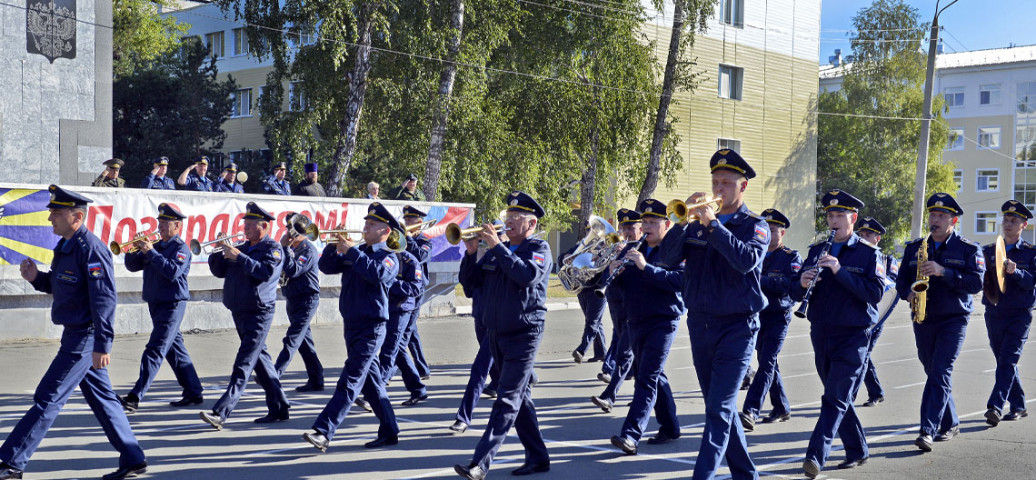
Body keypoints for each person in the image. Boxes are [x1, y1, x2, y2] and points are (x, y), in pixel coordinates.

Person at [2, 185, 147, 480]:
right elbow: (63, 286)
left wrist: (103, 345)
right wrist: (36, 278)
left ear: (77, 217)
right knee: (103, 399)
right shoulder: (66, 246)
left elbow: (104, 300)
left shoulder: (91, 249)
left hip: (85, 336)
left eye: (56, 212)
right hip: (75, 334)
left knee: (48, 396)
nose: (50, 218)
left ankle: (11, 463)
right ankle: (134, 459)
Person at [679, 149, 767, 480]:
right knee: (721, 409)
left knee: (718, 410)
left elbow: (745, 261)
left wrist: (714, 226)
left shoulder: (755, 226)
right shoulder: (696, 225)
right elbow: (669, 258)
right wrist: (680, 223)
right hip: (701, 324)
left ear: (743, 186)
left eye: (727, 183)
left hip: (737, 327)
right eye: (715, 182)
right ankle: (746, 475)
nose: (718, 189)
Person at [454, 191, 551, 480]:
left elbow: (526, 276)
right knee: (520, 398)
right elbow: (470, 285)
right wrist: (471, 253)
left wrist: (497, 247)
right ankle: (538, 457)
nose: (508, 222)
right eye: (507, 217)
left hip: (525, 332)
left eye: (515, 218)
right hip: (496, 332)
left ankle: (479, 464)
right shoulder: (499, 250)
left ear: (531, 223)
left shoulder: (539, 248)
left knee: (507, 399)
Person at [791, 190, 884, 478]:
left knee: (833, 397)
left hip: (854, 334)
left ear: (853, 218)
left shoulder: (869, 253)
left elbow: (875, 293)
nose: (833, 221)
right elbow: (795, 290)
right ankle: (857, 450)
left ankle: (815, 456)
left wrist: (840, 271)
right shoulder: (816, 250)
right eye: (830, 216)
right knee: (838, 396)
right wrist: (801, 283)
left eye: (839, 215)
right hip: (821, 330)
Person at [302, 203, 403, 452]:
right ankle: (390, 430)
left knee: (351, 378)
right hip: (352, 323)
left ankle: (324, 430)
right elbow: (327, 267)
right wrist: (333, 244)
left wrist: (351, 252)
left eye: (371, 225)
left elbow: (377, 274)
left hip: (372, 326)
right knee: (372, 384)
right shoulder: (357, 251)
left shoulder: (389, 256)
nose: (365, 228)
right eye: (365, 224)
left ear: (385, 231)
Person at [896, 192, 984, 452]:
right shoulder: (915, 248)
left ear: (953, 221)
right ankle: (951, 422)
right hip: (923, 317)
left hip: (953, 318)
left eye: (941, 216)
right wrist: (908, 293)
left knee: (940, 371)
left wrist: (944, 271)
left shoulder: (968, 249)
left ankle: (927, 430)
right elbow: (901, 280)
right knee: (932, 371)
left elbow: (976, 283)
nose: (934, 220)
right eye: (932, 215)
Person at [200, 202, 290, 429]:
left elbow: (265, 273)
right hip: (239, 309)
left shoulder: (273, 249)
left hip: (259, 312)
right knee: (261, 361)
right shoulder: (241, 247)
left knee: (244, 362)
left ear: (264, 226)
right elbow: (218, 271)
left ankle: (221, 412)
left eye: (250, 225)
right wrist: (220, 250)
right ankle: (280, 407)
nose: (245, 228)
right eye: (245, 224)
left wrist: (239, 256)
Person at [607, 199, 683, 456]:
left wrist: (645, 267)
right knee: (653, 374)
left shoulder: (674, 250)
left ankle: (630, 434)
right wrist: (612, 273)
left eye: (653, 222)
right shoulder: (631, 249)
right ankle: (670, 427)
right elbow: (620, 286)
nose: (647, 227)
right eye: (645, 222)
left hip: (663, 321)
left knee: (646, 377)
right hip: (636, 320)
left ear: (667, 224)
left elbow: (679, 281)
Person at [118, 203, 204, 413]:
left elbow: (172, 272)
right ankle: (193, 391)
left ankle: (135, 396)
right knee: (175, 350)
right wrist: (133, 248)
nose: (160, 226)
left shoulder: (181, 249)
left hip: (172, 304)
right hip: (155, 303)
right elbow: (132, 266)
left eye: (165, 222)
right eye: (160, 222)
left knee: (155, 349)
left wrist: (150, 251)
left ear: (177, 226)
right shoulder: (155, 245)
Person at [739, 208, 800, 431]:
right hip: (757, 315)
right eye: (766, 228)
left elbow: (790, 286)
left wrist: (760, 280)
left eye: (773, 230)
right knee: (768, 362)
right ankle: (781, 407)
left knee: (766, 363)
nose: (769, 233)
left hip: (778, 316)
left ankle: (751, 410)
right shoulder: (755, 253)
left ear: (782, 233)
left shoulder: (790, 257)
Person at [982, 200, 1035, 426]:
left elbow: (1032, 282)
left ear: (1024, 225)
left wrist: (1016, 272)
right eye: (1005, 220)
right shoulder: (988, 251)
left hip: (1019, 314)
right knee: (1004, 360)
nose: (1008, 224)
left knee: (1008, 359)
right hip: (994, 312)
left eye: (1014, 221)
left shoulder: (1031, 253)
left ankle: (995, 406)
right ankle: (1019, 405)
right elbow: (979, 279)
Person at [450, 223, 507, 434]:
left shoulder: (501, 255)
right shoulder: (479, 255)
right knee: (498, 364)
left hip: (497, 321)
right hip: (480, 316)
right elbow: (468, 286)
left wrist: (489, 251)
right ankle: (527, 377)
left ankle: (463, 417)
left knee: (479, 368)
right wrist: (471, 254)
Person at [591, 208, 642, 412]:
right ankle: (643, 395)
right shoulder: (615, 249)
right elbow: (603, 280)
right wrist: (609, 265)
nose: (626, 232)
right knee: (636, 354)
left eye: (631, 227)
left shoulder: (644, 249)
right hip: (616, 305)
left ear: (640, 229)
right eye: (624, 227)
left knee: (624, 352)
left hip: (635, 308)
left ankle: (609, 395)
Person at [273, 214, 325, 392]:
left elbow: (294, 270)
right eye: (289, 228)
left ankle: (273, 375)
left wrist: (285, 248)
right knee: (304, 343)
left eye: (294, 230)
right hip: (292, 298)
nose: (290, 233)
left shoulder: (307, 250)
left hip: (307, 299)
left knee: (292, 338)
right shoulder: (289, 248)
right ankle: (316, 379)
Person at [856, 217, 899, 407]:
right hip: (855, 314)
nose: (863, 238)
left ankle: (851, 397)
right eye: (861, 234)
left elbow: (891, 288)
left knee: (862, 355)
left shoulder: (887, 260)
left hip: (875, 316)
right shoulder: (853, 255)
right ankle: (876, 392)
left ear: (877, 238)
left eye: (868, 235)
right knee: (861, 355)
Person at [559, 222, 608, 364]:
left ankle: (581, 350)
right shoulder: (580, 246)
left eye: (594, 231)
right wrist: (566, 256)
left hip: (598, 289)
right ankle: (601, 353)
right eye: (589, 231)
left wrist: (598, 258)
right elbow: (562, 258)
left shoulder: (604, 248)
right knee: (593, 321)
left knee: (592, 322)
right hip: (582, 288)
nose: (590, 234)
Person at [396, 206, 433, 381]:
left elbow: (419, 256)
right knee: (410, 331)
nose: (406, 223)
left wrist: (409, 239)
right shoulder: (401, 239)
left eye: (410, 221)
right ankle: (423, 368)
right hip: (402, 287)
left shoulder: (424, 241)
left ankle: (387, 373)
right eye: (406, 220)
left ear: (419, 223)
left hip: (416, 291)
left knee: (404, 333)